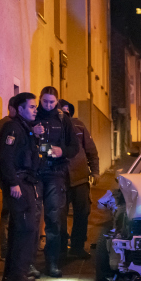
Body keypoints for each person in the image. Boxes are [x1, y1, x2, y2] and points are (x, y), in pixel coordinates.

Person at [0, 93, 42, 281]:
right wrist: (13, 182)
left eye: (35, 107)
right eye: (31, 107)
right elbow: (5, 157)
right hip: (19, 183)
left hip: (25, 182)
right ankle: (19, 274)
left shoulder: (25, 128)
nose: (35, 110)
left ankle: (11, 275)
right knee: (26, 228)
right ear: (20, 109)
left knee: (20, 228)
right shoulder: (13, 128)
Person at [34, 86, 78, 277]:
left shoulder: (64, 120)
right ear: (40, 100)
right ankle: (29, 264)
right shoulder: (33, 117)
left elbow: (74, 146)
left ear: (57, 101)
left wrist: (63, 151)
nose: (49, 105)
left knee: (54, 219)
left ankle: (52, 263)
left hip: (55, 173)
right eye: (45, 101)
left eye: (52, 102)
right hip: (35, 173)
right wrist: (32, 132)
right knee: (31, 220)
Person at [57, 99, 99, 259]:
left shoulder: (79, 126)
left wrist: (95, 172)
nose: (65, 115)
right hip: (59, 178)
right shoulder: (52, 127)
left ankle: (77, 246)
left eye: (67, 111)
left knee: (82, 212)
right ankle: (60, 248)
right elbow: (42, 146)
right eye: (62, 111)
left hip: (80, 178)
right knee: (59, 214)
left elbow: (91, 150)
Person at [0, 97, 17, 259]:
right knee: (8, 213)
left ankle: (7, 249)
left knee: (9, 212)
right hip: (8, 175)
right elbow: (4, 153)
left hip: (5, 174)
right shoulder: (6, 125)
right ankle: (6, 250)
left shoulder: (6, 124)